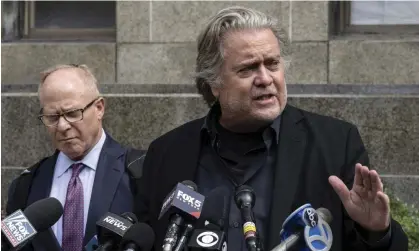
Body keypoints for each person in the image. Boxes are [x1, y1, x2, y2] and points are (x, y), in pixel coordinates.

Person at [134, 6, 408, 251]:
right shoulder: (167, 153)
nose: (265, 79)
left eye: (272, 64)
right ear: (214, 84)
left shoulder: (336, 144)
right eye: (247, 69)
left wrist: (375, 231)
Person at [5, 64, 145, 251]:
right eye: (52, 117)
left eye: (72, 113)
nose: (62, 126)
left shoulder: (140, 171)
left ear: (99, 108)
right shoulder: (25, 185)